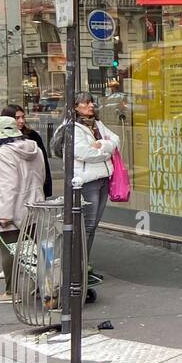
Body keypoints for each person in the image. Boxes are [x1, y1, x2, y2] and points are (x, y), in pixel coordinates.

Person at [0, 116, 46, 304]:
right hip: (34, 205)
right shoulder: (35, 149)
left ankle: (11, 291)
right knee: (33, 249)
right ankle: (46, 285)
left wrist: (4, 215)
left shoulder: (3, 154)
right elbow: (40, 177)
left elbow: (7, 186)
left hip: (12, 208)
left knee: (10, 250)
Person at [68, 92, 120, 284]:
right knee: (86, 226)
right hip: (87, 180)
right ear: (75, 106)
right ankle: (78, 269)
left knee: (92, 226)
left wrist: (103, 145)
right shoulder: (74, 128)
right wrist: (106, 152)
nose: (91, 105)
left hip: (103, 178)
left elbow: (115, 140)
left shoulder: (97, 125)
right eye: (86, 103)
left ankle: (84, 266)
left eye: (91, 102)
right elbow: (83, 153)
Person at [0, 105, 53, 199]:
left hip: (30, 186)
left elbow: (43, 164)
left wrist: (46, 188)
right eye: (17, 118)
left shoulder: (32, 136)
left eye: (23, 117)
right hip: (6, 189)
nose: (21, 121)